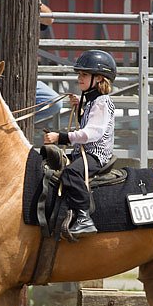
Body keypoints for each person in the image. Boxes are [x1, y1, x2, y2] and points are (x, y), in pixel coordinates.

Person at [43, 50, 116, 238]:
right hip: (84, 152)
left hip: (96, 155)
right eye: (79, 74)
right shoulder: (93, 102)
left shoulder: (101, 102)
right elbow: (88, 123)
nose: (79, 78)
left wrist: (61, 138)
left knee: (71, 173)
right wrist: (79, 108)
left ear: (99, 78)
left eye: (84, 74)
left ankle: (84, 218)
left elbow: (92, 133)